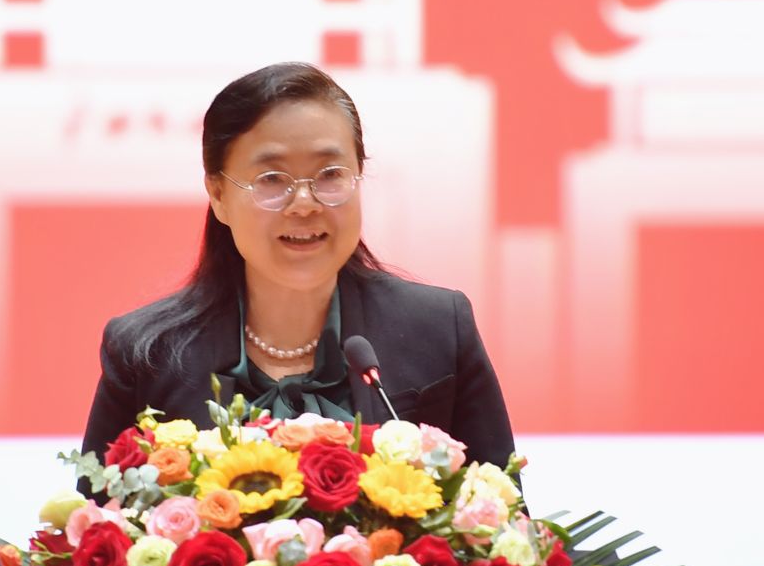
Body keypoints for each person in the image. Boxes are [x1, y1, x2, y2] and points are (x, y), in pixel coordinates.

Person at [79, 61, 516, 469]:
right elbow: (99, 522)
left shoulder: (438, 329)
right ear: (218, 194)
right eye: (272, 180)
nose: (304, 203)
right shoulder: (147, 354)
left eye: (330, 175)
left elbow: (500, 513)